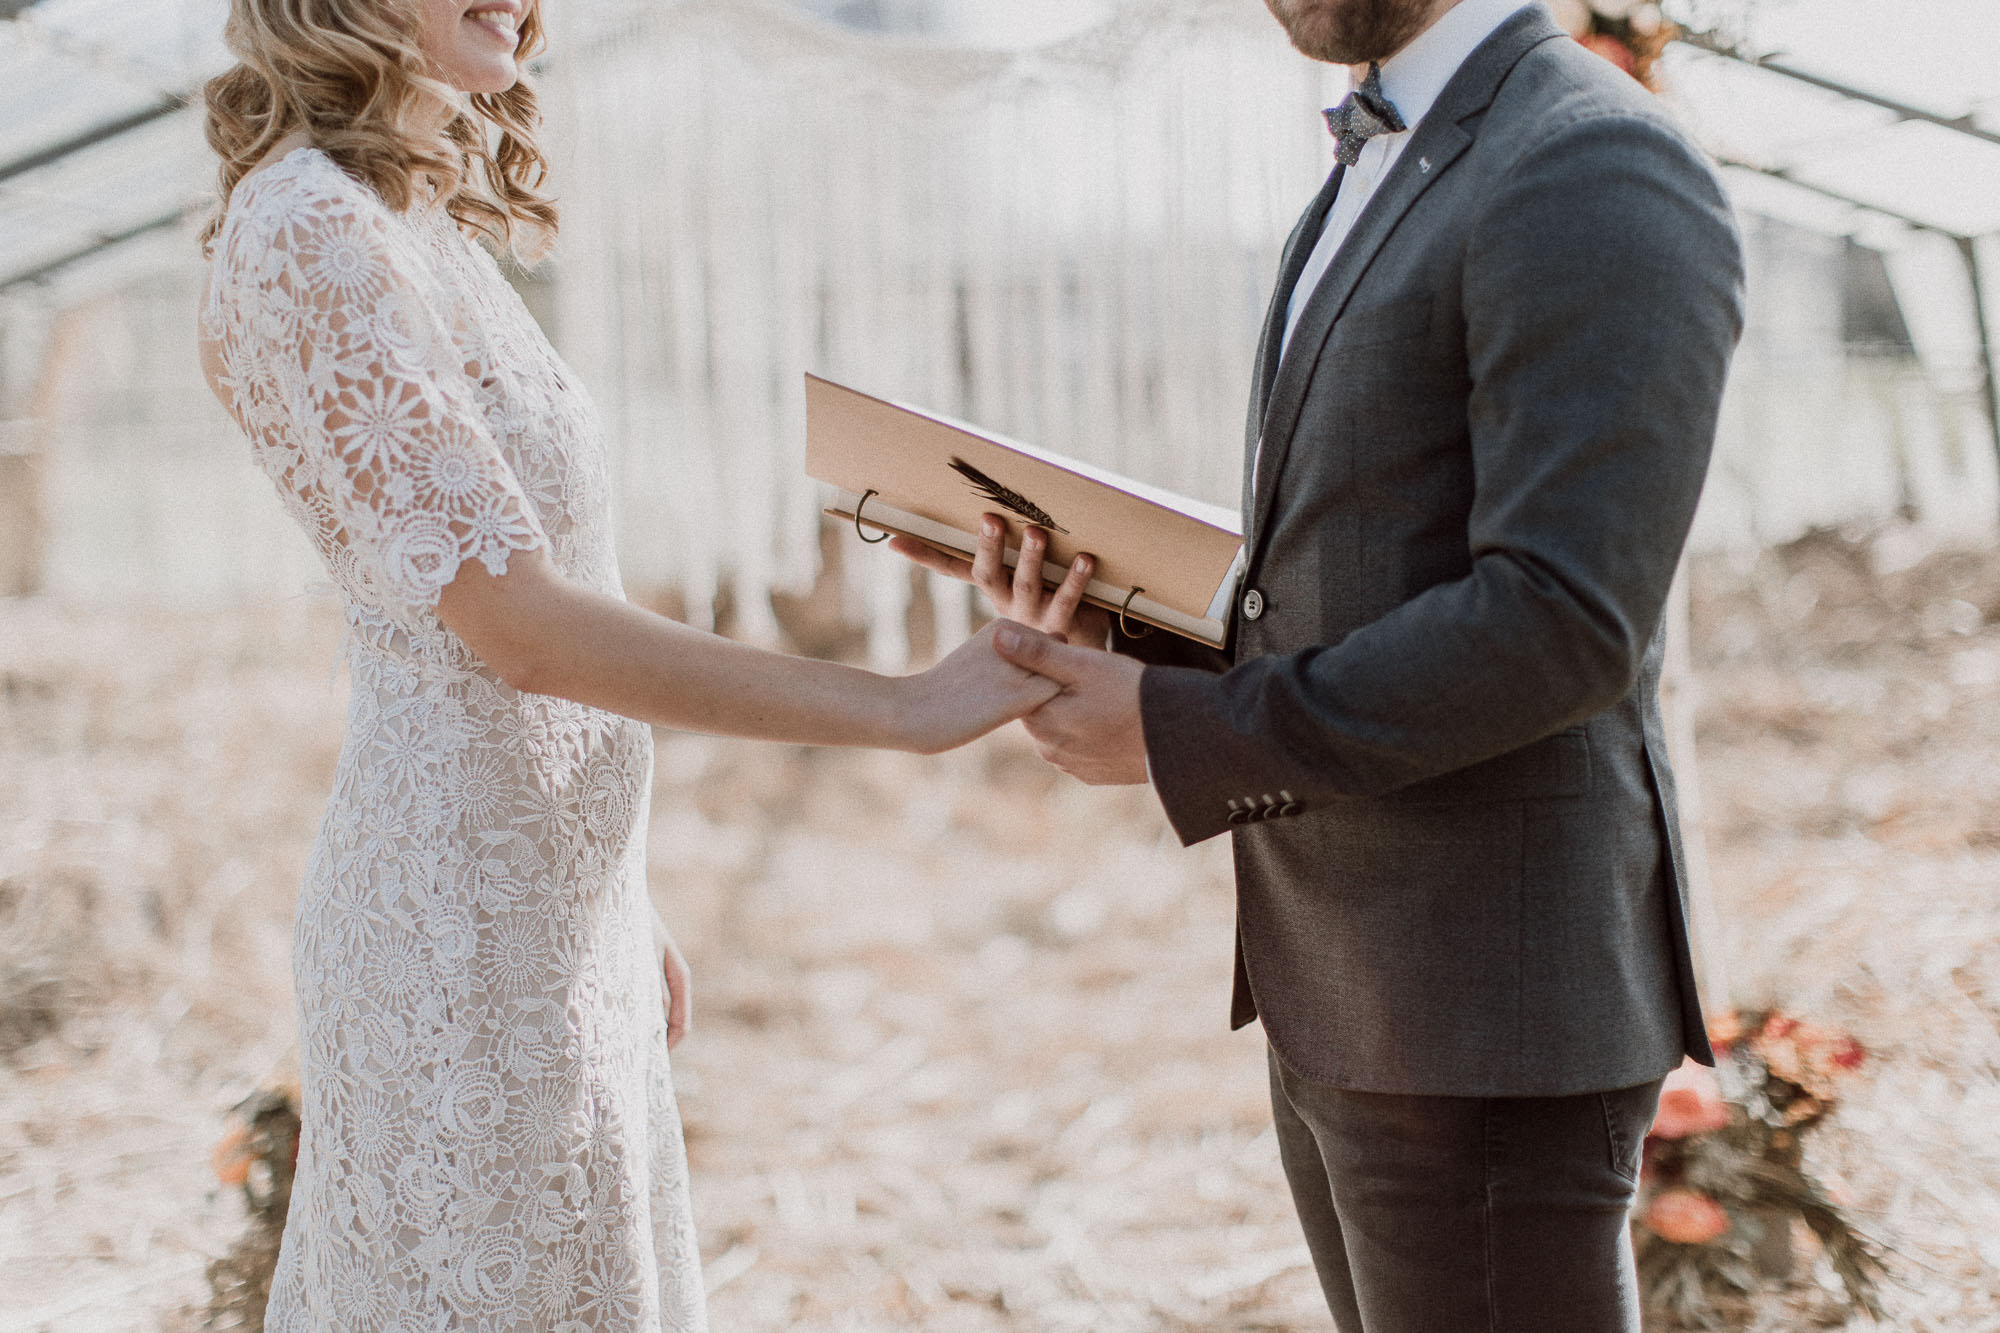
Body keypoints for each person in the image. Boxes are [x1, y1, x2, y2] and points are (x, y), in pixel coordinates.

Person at [194, 1, 1075, 1328]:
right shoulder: (307, 230)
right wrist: (905, 708)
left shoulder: (411, 223)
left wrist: (620, 879)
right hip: (455, 934)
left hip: (549, 910)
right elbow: (525, 630)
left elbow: (522, 607)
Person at [903, 0, 1746, 1327]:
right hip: (1347, 973)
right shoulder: (1385, 153)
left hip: (1487, 1006)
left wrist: (1185, 729)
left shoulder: (1591, 159)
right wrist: (1118, 627)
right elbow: (1369, 558)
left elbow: (1561, 617)